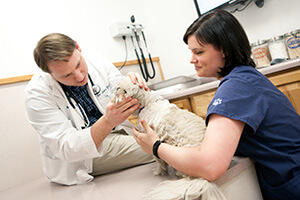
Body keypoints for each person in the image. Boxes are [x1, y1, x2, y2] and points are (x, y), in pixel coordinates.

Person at [133, 9, 300, 200]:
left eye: (199, 52)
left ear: (225, 50)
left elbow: (210, 166)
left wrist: (155, 147)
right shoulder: (246, 77)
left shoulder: (235, 89)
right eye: (191, 52)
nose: (192, 59)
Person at [25, 33, 154, 185]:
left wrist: (133, 86)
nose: (79, 77)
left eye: (79, 64)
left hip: (118, 131)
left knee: (163, 140)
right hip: (85, 154)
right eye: (66, 75)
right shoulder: (37, 94)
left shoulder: (97, 61)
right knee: (157, 147)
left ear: (78, 47)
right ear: (49, 73)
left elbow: (129, 101)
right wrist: (108, 121)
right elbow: (68, 147)